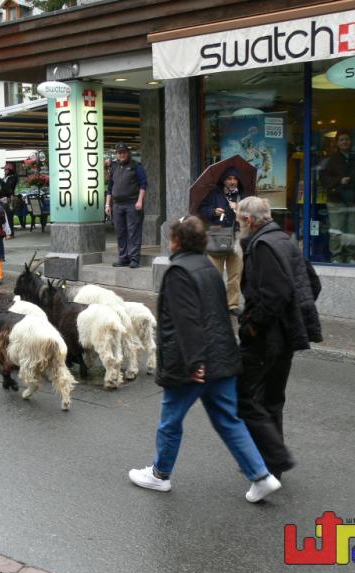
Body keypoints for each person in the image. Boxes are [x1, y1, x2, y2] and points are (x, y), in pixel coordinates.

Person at [127, 216, 281, 503]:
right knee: (228, 420)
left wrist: (195, 361)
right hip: (221, 358)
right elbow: (217, 315)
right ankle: (261, 476)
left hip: (191, 363)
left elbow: (186, 321)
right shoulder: (208, 268)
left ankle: (160, 475)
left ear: (177, 241)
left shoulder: (178, 272)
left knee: (170, 420)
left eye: (171, 237)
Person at [236, 196, 322, 480]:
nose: (238, 226)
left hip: (267, 336)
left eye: (239, 220)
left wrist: (253, 325)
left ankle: (271, 460)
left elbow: (277, 293)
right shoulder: (283, 239)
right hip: (285, 334)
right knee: (271, 398)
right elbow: (312, 284)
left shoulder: (263, 245)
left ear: (249, 220)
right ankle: (271, 463)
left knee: (245, 397)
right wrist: (293, 315)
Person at [319, 130, 355, 262]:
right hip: (336, 200)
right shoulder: (330, 160)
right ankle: (336, 256)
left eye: (347, 139)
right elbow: (323, 179)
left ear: (351, 141)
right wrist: (339, 181)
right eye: (341, 139)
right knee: (337, 231)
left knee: (352, 231)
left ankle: (350, 256)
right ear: (337, 142)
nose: (344, 142)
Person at [199, 167, 244, 314]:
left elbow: (251, 214)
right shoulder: (214, 194)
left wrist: (239, 208)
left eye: (235, 179)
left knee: (235, 275)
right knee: (214, 275)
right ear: (223, 180)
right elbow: (202, 210)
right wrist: (213, 211)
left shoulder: (243, 196)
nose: (232, 181)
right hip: (217, 237)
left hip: (237, 239)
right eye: (229, 178)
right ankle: (214, 304)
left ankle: (233, 305)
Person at [106, 143, 147, 268]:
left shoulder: (136, 166)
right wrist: (107, 204)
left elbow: (143, 185)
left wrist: (140, 201)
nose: (122, 154)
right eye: (119, 153)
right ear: (117, 154)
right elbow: (110, 187)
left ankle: (134, 259)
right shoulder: (114, 167)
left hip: (132, 204)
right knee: (120, 232)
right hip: (117, 205)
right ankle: (123, 258)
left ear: (127, 153)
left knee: (133, 232)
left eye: (124, 152)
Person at [1, 163, 18, 239]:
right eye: (4, 169)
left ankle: (11, 233)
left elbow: (9, 187)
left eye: (6, 169)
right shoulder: (5, 177)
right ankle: (7, 232)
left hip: (10, 199)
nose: (4, 171)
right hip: (4, 198)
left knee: (9, 216)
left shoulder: (13, 178)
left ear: (10, 170)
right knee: (6, 216)